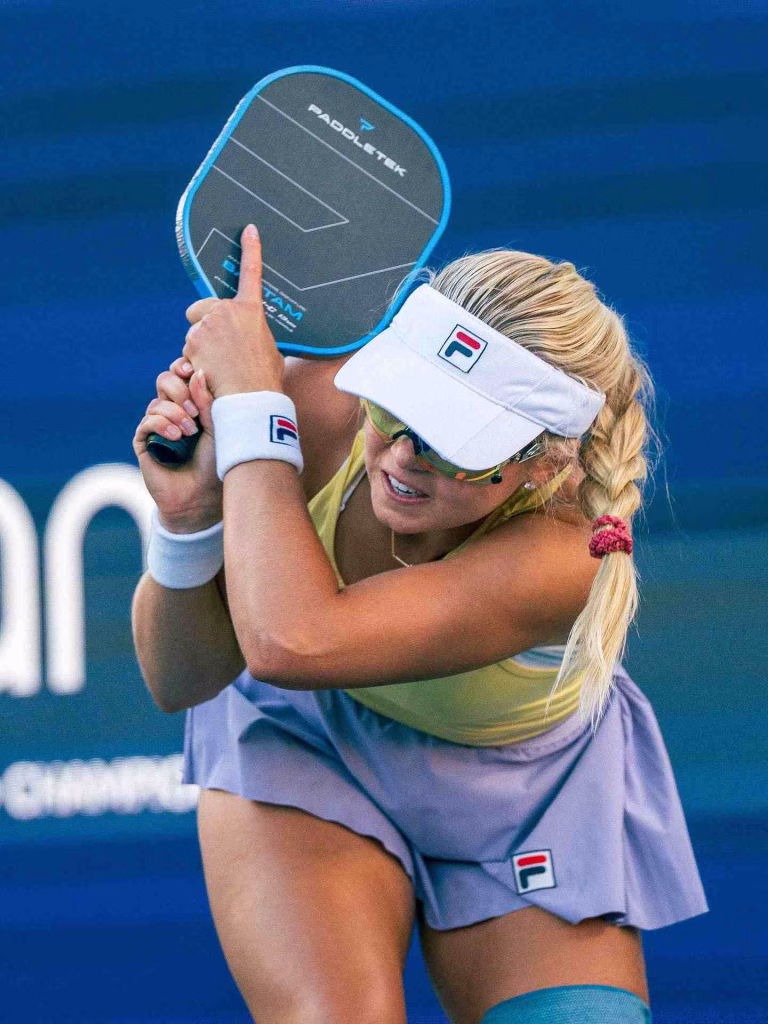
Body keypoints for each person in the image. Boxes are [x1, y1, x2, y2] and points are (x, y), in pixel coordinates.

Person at [132, 225, 707, 1024]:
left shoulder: (565, 550)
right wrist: (191, 519)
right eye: (396, 410)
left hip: (527, 795)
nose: (403, 457)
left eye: (456, 445)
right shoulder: (314, 407)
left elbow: (291, 638)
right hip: (313, 744)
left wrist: (253, 415)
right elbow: (178, 680)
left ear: (544, 465)